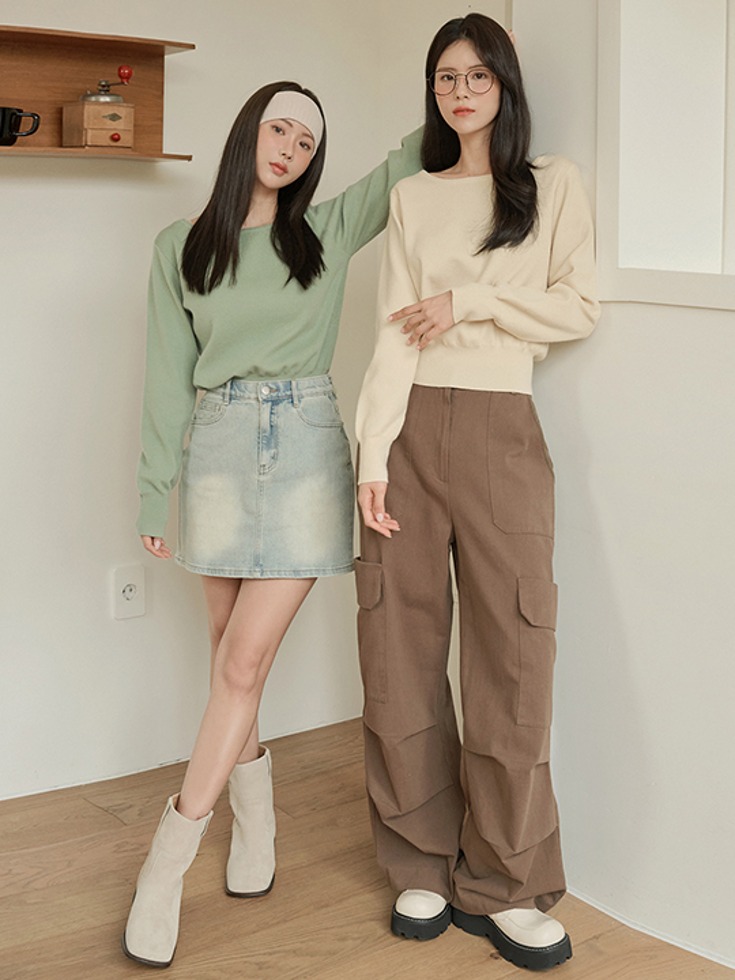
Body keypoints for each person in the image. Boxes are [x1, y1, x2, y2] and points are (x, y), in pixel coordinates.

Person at [123, 80, 421, 968]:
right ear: (248, 131)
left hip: (302, 450)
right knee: (229, 658)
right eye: (278, 129)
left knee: (241, 664)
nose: (289, 149)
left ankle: (165, 865)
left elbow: (407, 161)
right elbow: (166, 373)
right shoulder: (180, 246)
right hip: (215, 446)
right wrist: (153, 489)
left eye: (306, 142)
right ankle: (256, 830)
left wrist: (472, 68)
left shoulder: (324, 229)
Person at [354, 14, 599, 973]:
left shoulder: (549, 184)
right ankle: (418, 858)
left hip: (502, 431)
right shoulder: (413, 197)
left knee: (513, 657)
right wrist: (372, 457)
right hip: (411, 429)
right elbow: (390, 334)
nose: (459, 92)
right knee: (398, 646)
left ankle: (506, 881)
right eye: (445, 78)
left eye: (476, 76)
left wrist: (471, 300)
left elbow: (576, 307)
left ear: (504, 83)